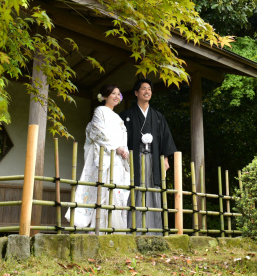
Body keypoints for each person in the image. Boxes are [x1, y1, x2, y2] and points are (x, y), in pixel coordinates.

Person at [66, 84, 130, 232]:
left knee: (115, 193)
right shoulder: (100, 111)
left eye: (118, 94)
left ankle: (113, 228)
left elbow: (123, 138)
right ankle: (98, 229)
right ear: (105, 96)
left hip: (117, 159)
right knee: (103, 192)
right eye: (113, 93)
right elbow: (97, 132)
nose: (116, 96)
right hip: (105, 157)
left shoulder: (118, 118)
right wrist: (116, 147)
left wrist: (123, 150)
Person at [121, 78, 177, 235]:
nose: (147, 92)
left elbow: (165, 138)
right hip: (134, 159)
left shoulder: (158, 117)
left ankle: (154, 231)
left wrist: (165, 158)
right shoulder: (127, 115)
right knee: (135, 188)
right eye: (143, 89)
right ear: (136, 93)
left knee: (153, 188)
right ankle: (134, 229)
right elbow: (119, 138)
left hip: (153, 159)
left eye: (149, 89)